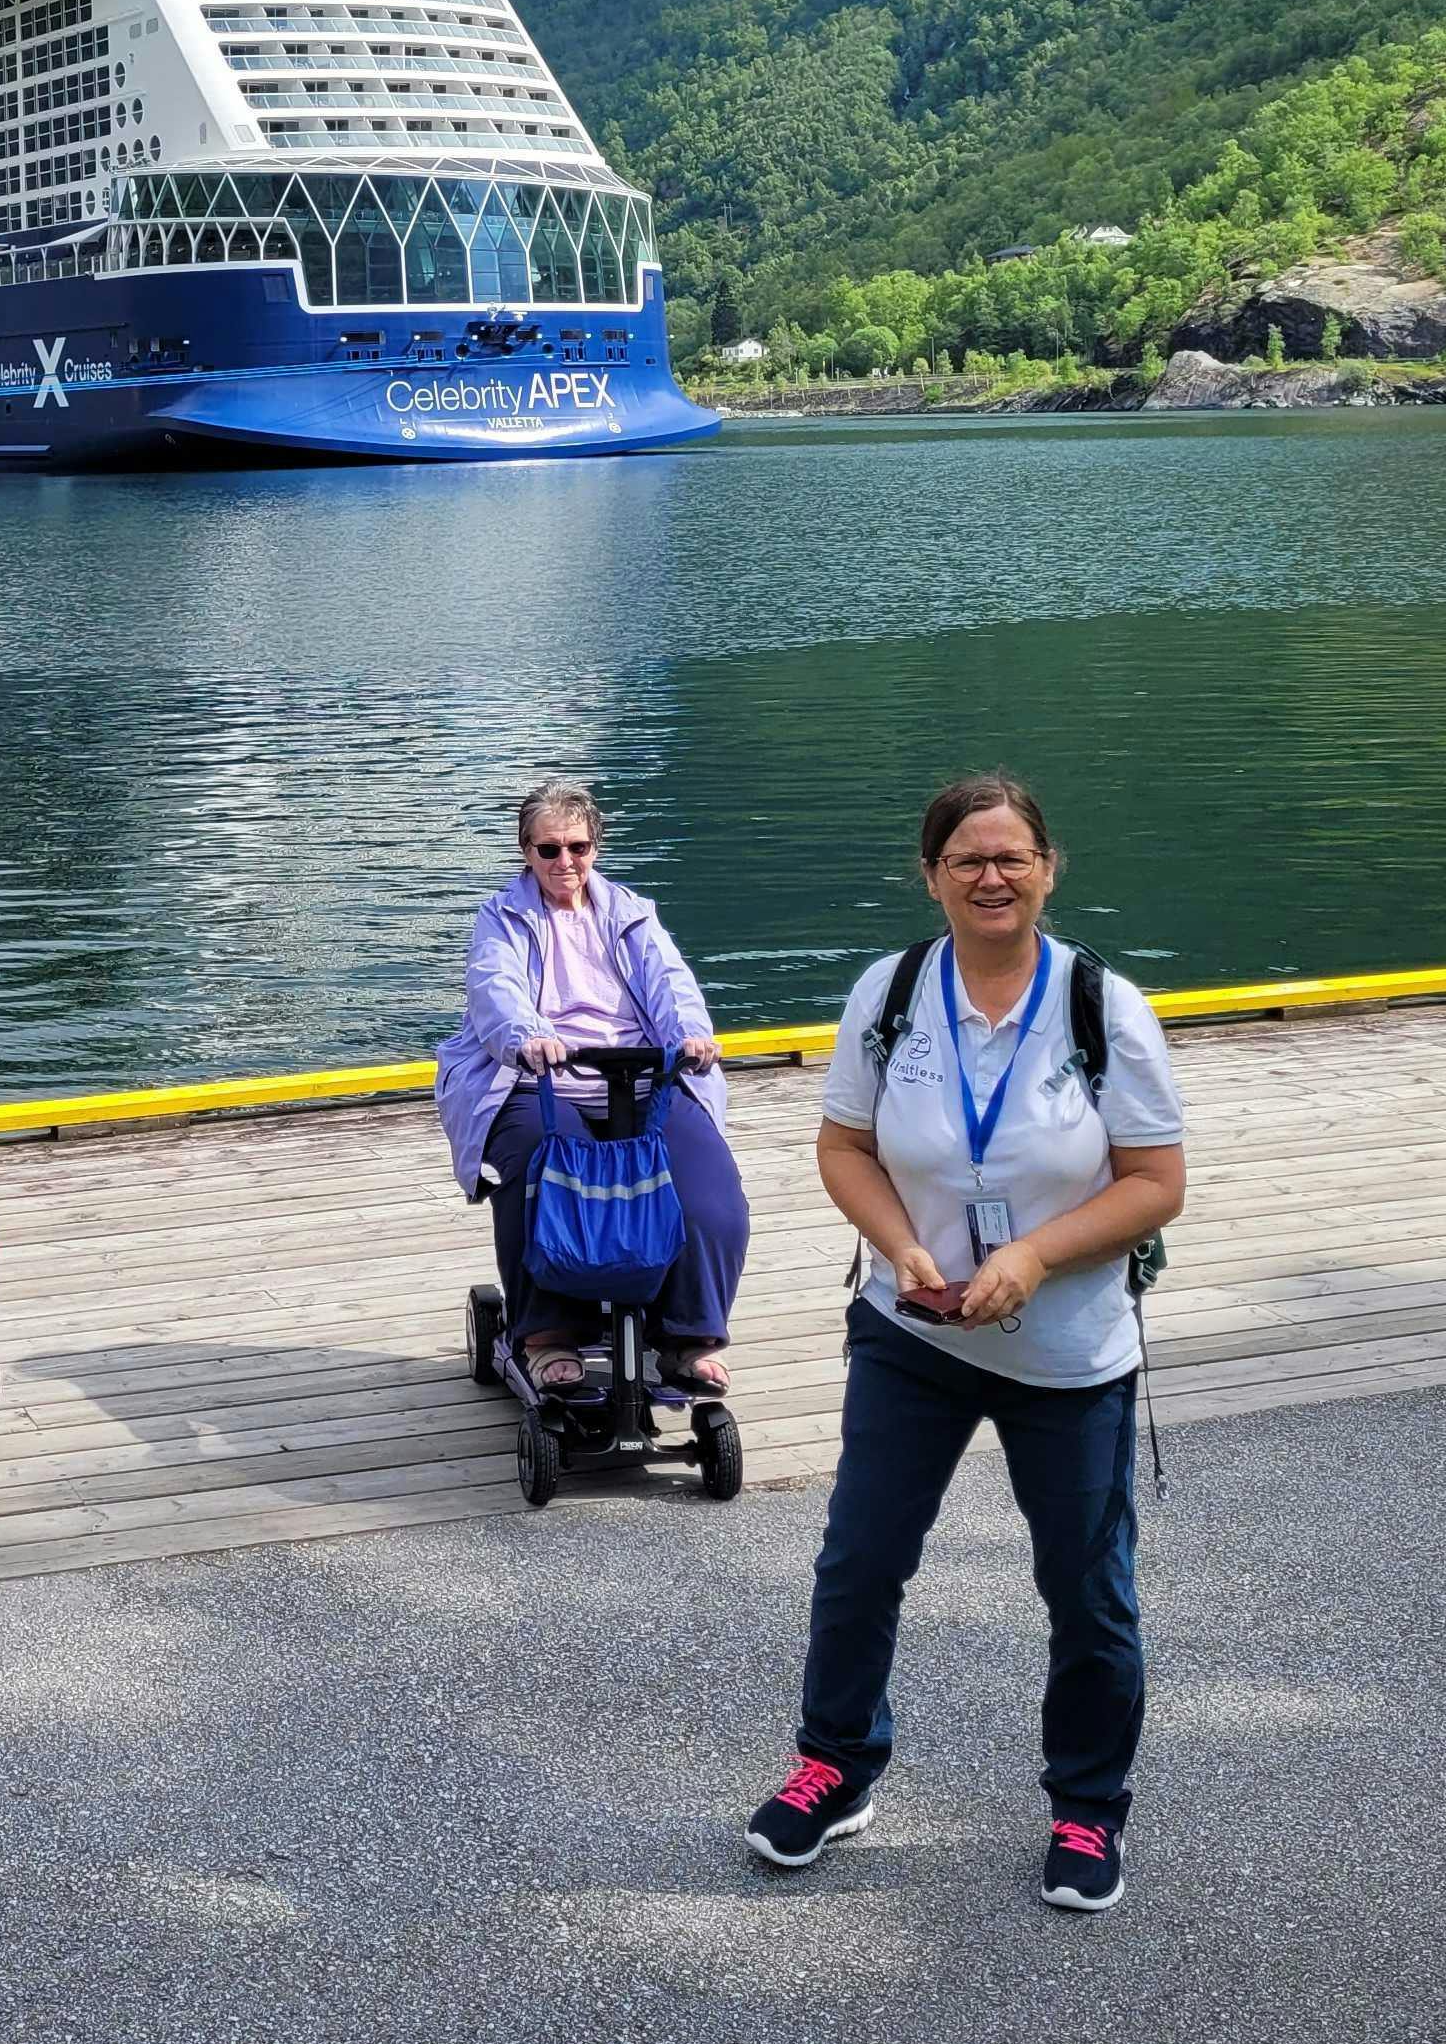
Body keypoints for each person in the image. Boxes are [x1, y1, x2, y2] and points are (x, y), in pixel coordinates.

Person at [744, 771, 1189, 1913]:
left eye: (1012, 857)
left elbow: (1155, 1185)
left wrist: (1035, 1257)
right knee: (858, 1564)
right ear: (932, 876)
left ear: (1049, 870)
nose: (991, 877)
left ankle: (1088, 1813)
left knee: (1087, 1593)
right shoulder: (890, 995)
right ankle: (835, 1770)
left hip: (1066, 1351)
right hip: (915, 1331)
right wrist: (900, 1246)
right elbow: (845, 1147)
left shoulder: (1105, 1010)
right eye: (966, 860)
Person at [433, 779, 750, 1396]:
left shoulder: (631, 914)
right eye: (548, 850)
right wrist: (527, 1035)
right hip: (535, 1075)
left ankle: (689, 1335)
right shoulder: (501, 919)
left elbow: (671, 984)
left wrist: (689, 1034)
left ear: (595, 848)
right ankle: (549, 1335)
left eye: (576, 847)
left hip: (640, 1074)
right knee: (542, 1182)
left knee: (712, 1199)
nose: (564, 863)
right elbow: (495, 989)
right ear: (526, 852)